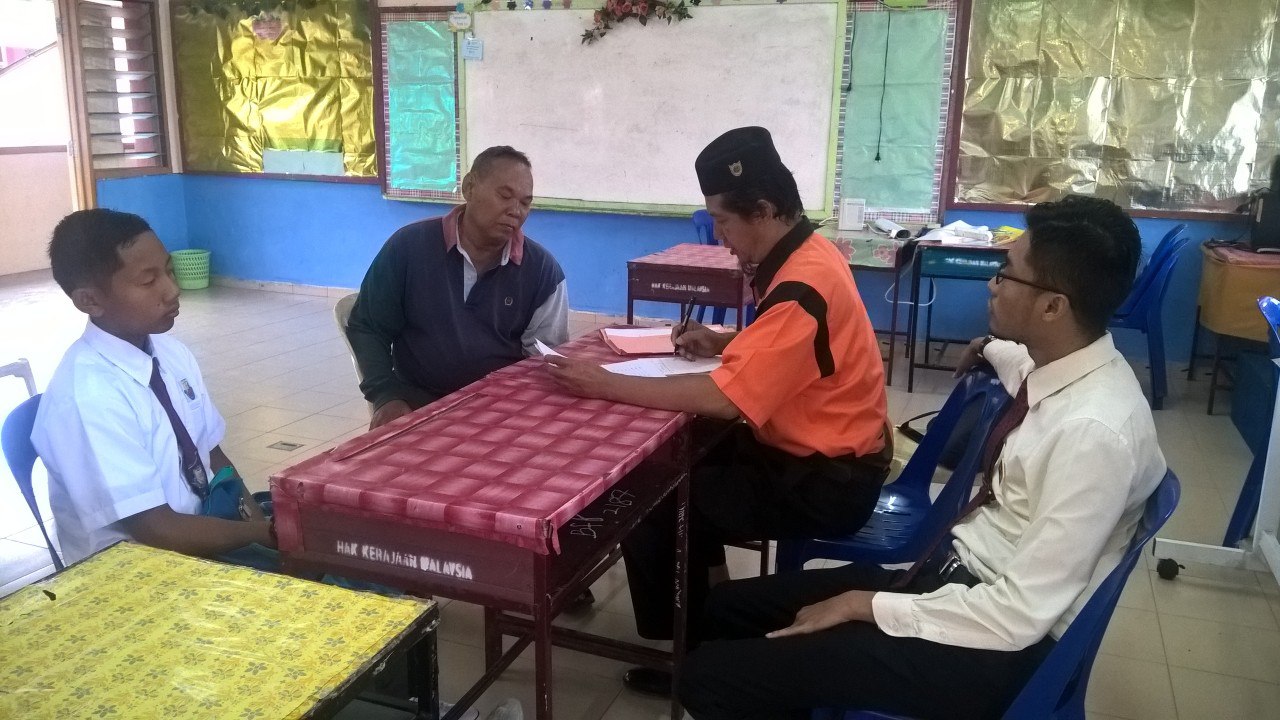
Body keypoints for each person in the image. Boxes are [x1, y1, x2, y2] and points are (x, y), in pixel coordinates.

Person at [676, 195, 1167, 720]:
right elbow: (1017, 363)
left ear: (1053, 307)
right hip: (953, 582)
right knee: (723, 609)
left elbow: (1019, 615)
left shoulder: (1094, 434)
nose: (992, 285)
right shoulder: (1061, 366)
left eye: (1006, 274)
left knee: (711, 678)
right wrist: (988, 344)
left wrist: (867, 605)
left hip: (995, 647)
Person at [546, 126, 891, 694]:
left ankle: (694, 657)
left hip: (828, 481)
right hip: (812, 451)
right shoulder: (807, 253)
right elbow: (797, 348)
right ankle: (708, 620)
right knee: (674, 460)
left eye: (724, 223)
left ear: (764, 211)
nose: (722, 239)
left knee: (655, 499)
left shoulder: (804, 283)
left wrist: (605, 382)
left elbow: (724, 399)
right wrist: (726, 342)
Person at [32, 209, 274, 567]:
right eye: (149, 282)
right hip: (139, 569)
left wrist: (257, 526)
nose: (172, 290)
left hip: (204, 531)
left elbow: (213, 454)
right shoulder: (87, 398)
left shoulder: (170, 353)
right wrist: (264, 535)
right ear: (90, 301)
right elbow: (158, 532)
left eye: (169, 271)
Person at [347, 145, 569, 431]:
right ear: (469, 188)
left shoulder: (542, 271)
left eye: (525, 203)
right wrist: (385, 396)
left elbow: (544, 360)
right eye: (504, 196)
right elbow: (368, 327)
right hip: (418, 404)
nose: (515, 211)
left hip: (502, 412)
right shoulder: (409, 248)